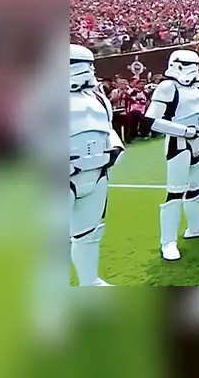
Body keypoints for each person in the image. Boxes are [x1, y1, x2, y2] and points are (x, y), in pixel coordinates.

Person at [144, 49, 199, 262]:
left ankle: (194, 228)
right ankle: (168, 242)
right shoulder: (167, 87)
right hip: (179, 143)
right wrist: (184, 131)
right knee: (175, 193)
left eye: (195, 65)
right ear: (175, 65)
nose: (192, 69)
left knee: (196, 188)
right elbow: (151, 120)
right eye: (187, 65)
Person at [69, 44, 123, 286]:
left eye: (90, 65)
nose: (87, 70)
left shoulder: (99, 98)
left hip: (98, 172)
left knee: (89, 234)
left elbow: (108, 128)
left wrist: (116, 147)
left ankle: (89, 281)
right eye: (79, 65)